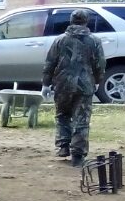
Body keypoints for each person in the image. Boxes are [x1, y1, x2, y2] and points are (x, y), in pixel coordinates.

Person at [42, 9, 106, 167]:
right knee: (82, 119)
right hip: (85, 84)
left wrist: (45, 83)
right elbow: (100, 63)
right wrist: (98, 80)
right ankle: (77, 154)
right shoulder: (94, 41)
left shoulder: (60, 40)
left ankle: (63, 146)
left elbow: (50, 63)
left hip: (62, 83)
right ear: (86, 21)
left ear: (71, 21)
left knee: (62, 115)